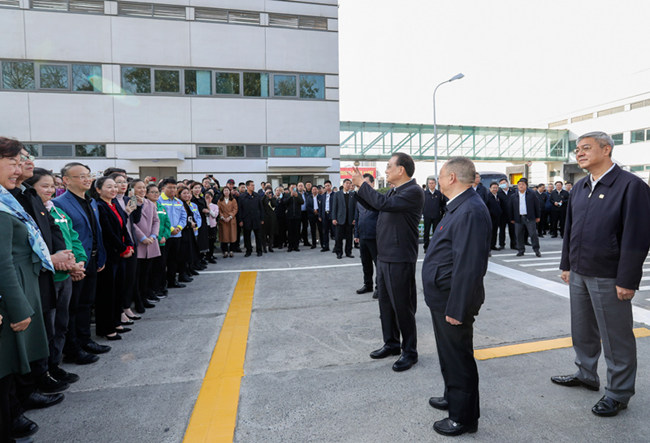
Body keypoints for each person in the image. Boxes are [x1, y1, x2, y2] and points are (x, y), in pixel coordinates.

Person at [554, 131, 650, 417]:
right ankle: (586, 374)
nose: (579, 153)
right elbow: (569, 229)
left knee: (615, 336)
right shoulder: (581, 186)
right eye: (577, 149)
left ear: (606, 149)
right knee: (582, 329)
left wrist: (627, 280)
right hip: (580, 272)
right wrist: (566, 264)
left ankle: (619, 392)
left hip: (609, 275)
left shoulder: (630, 186)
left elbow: (638, 236)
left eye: (586, 148)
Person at [422, 156, 490, 436]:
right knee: (448, 355)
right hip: (444, 295)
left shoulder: (470, 210)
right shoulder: (458, 207)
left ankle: (463, 417)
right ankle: (453, 397)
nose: (437, 181)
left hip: (453, 299)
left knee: (458, 357)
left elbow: (469, 265)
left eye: (440, 175)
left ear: (452, 178)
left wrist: (457, 307)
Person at [11, 149, 78, 397]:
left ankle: (48, 370)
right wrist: (51, 258)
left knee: (54, 327)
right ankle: (31, 385)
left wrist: (66, 256)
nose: (26, 163)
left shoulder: (28, 196)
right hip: (29, 275)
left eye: (28, 158)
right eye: (18, 159)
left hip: (51, 272)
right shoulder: (13, 198)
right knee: (35, 332)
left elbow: (52, 231)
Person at [351, 153, 424, 372]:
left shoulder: (413, 191)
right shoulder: (395, 190)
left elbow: (382, 203)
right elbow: (377, 206)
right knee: (386, 304)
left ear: (401, 169)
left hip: (400, 257)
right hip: (385, 256)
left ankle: (409, 352)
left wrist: (363, 184)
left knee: (402, 306)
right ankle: (391, 343)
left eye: (389, 166)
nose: (386, 170)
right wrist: (358, 189)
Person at [0, 139, 53, 441]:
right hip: (10, 298)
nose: (20, 168)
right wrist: (19, 309)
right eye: (13, 162)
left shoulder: (8, 198)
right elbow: (3, 262)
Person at [24, 168, 87, 385]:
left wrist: (79, 262)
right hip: (48, 278)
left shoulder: (57, 212)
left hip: (66, 277)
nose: (50, 190)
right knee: (47, 329)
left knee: (62, 324)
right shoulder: (30, 214)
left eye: (52, 186)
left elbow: (74, 238)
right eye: (44, 186)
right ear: (31, 189)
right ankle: (43, 372)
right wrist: (67, 265)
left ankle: (55, 365)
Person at [53, 163, 108, 365]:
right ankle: (72, 348)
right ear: (66, 180)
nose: (87, 179)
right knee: (72, 308)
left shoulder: (91, 201)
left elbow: (96, 231)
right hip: (75, 264)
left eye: (88, 175)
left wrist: (99, 256)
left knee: (86, 303)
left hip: (91, 260)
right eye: (81, 176)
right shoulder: (59, 203)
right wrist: (75, 263)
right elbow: (62, 238)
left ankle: (85, 340)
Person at [93, 177, 134, 341]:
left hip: (120, 254)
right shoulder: (100, 206)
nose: (113, 189)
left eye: (115, 187)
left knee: (118, 289)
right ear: (98, 189)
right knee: (107, 293)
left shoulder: (114, 204)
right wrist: (123, 248)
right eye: (109, 187)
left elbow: (123, 226)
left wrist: (129, 244)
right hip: (110, 255)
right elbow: (108, 232)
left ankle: (117, 321)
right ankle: (106, 328)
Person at [133, 179, 161, 306]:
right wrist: (143, 237)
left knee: (146, 274)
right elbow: (131, 223)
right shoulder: (131, 202)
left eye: (144, 188)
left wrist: (154, 235)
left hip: (151, 242)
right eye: (139, 188)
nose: (142, 190)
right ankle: (138, 300)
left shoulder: (150, 203)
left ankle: (144, 297)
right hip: (139, 243)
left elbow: (156, 220)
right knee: (137, 275)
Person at [158, 178, 187, 287]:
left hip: (177, 235)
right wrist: (171, 229)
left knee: (174, 260)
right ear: (163, 188)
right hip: (165, 236)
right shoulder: (159, 200)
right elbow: (161, 219)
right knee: (162, 261)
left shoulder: (178, 201)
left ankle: (172, 281)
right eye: (169, 187)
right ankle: (161, 283)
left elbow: (184, 216)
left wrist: (179, 228)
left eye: (174, 188)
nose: (172, 190)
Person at [354, 173, 379, 298]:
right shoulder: (360, 199)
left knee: (378, 263)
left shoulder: (377, 199)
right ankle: (367, 284)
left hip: (374, 236)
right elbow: (357, 217)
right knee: (365, 263)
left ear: (372, 184)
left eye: (366, 184)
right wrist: (356, 234)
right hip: (363, 235)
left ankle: (379, 287)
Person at [146, 184, 170, 303]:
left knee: (161, 266)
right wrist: (158, 237)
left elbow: (167, 223)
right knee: (152, 268)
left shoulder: (161, 207)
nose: (156, 194)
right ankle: (153, 290)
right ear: (146, 194)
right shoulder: (147, 207)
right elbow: (149, 225)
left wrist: (165, 236)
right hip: (153, 242)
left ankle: (161, 287)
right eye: (152, 192)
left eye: (157, 192)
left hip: (163, 243)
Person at [509, 178, 541, 257]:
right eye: (519, 185)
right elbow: (510, 208)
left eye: (523, 184)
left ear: (526, 186)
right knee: (519, 234)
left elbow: (537, 206)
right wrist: (511, 218)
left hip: (529, 217)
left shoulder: (532, 194)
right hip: (518, 218)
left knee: (533, 234)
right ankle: (521, 250)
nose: (521, 186)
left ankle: (536, 250)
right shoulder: (514, 196)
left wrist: (538, 216)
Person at [238, 180, 265, 257]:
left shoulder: (257, 195)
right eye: (252, 185)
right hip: (246, 219)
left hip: (256, 219)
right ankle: (248, 250)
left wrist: (262, 219)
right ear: (247, 187)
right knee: (247, 236)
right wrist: (240, 220)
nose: (253, 186)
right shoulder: (242, 197)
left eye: (254, 185)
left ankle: (259, 250)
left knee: (258, 236)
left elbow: (261, 208)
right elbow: (240, 209)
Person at [332, 179, 357, 259]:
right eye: (347, 183)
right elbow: (334, 207)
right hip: (340, 219)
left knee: (349, 238)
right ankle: (339, 253)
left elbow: (355, 208)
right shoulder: (337, 194)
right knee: (338, 238)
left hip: (349, 220)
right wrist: (334, 218)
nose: (348, 185)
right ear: (343, 184)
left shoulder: (353, 194)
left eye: (350, 183)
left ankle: (348, 252)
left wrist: (354, 218)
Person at [422, 177, 446, 253]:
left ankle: (435, 247)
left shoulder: (439, 194)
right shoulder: (424, 194)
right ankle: (426, 247)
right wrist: (423, 212)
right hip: (427, 216)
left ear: (435, 184)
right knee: (426, 232)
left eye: (432, 183)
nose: (431, 184)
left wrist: (441, 214)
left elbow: (443, 205)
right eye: (430, 183)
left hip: (436, 216)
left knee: (436, 232)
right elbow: (421, 204)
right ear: (428, 184)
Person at [190, 182, 211, 263]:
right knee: (196, 241)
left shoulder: (202, 198)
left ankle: (201, 258)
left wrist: (206, 210)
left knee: (203, 240)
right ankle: (196, 260)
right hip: (194, 222)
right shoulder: (191, 199)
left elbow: (206, 207)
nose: (197, 189)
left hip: (203, 221)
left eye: (199, 188)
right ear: (191, 189)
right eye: (195, 188)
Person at [217, 186, 238, 258]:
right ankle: (225, 251)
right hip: (223, 220)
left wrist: (230, 217)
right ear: (223, 192)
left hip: (231, 219)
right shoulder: (220, 200)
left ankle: (231, 250)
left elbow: (235, 209)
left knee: (232, 235)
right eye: (225, 190)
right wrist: (222, 217)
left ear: (230, 192)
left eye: (227, 190)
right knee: (224, 236)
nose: (226, 192)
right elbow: (219, 210)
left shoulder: (233, 200)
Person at [497, 178, 516, 249]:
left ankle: (514, 244)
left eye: (504, 183)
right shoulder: (499, 192)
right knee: (502, 230)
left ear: (507, 183)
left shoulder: (513, 191)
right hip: (502, 214)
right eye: (501, 183)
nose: (503, 184)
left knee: (512, 230)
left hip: (511, 214)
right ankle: (502, 244)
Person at [284, 187, 304, 252]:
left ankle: (296, 246)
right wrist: (290, 196)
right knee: (290, 232)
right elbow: (284, 202)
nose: (293, 189)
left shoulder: (299, 195)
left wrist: (297, 196)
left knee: (297, 232)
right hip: (289, 216)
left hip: (297, 216)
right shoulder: (287, 195)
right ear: (290, 189)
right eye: (292, 188)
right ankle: (290, 246)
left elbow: (302, 202)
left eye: (294, 188)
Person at [485, 182, 502, 251]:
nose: (495, 189)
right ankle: (488, 247)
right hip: (490, 218)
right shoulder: (488, 196)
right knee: (489, 233)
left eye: (496, 188)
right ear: (490, 188)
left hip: (497, 218)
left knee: (495, 232)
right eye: (493, 188)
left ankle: (493, 245)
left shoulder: (498, 196)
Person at [319, 180, 334, 252]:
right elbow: (321, 207)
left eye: (328, 185)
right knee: (325, 232)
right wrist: (320, 216)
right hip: (325, 215)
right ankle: (326, 246)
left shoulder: (335, 195)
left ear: (331, 185)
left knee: (334, 232)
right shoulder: (323, 196)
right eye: (325, 186)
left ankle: (336, 247)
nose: (327, 187)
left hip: (332, 215)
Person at [204, 191, 219, 261]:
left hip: (212, 225)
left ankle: (211, 255)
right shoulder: (202, 205)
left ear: (212, 198)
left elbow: (214, 215)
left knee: (212, 241)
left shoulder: (215, 206)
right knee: (206, 241)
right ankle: (206, 256)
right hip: (205, 226)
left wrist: (209, 209)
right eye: (206, 197)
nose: (207, 199)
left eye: (209, 197)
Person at [261, 188, 278, 253]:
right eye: (267, 192)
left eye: (269, 192)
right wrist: (265, 196)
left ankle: (270, 247)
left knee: (271, 233)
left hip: (272, 218)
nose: (269, 194)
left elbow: (275, 205)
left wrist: (271, 199)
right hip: (265, 218)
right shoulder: (263, 199)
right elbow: (261, 203)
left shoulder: (273, 198)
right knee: (264, 234)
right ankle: (264, 247)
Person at [297, 182, 311, 247]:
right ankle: (297, 241)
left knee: (305, 227)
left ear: (303, 187)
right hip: (298, 212)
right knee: (297, 227)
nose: (300, 187)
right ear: (297, 187)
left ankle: (306, 241)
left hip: (305, 212)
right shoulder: (295, 194)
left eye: (301, 186)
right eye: (299, 186)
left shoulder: (306, 194)